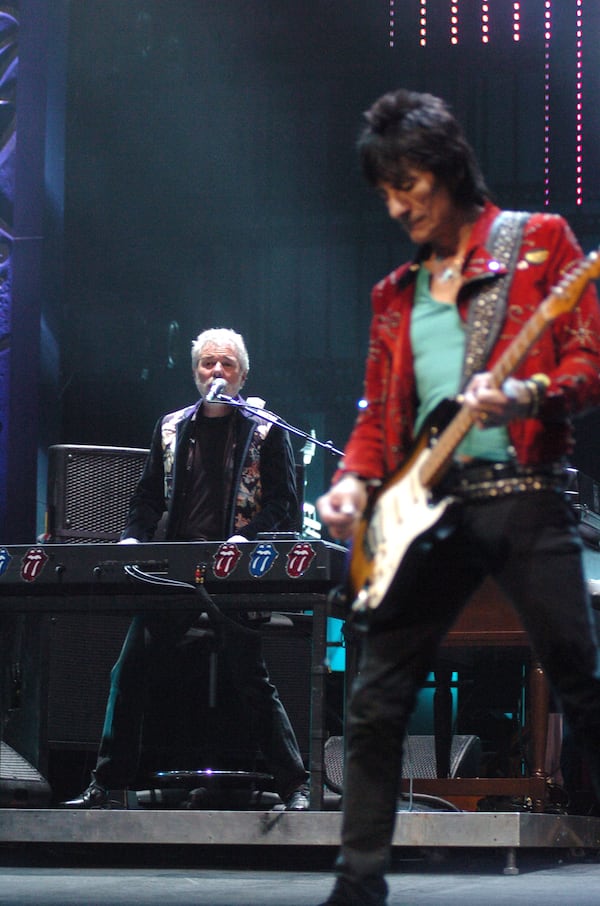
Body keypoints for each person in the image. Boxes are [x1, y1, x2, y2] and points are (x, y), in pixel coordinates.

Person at [315, 89, 600, 906]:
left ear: (448, 171)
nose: (397, 205)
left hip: (522, 491)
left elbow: (589, 366)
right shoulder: (392, 294)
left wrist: (530, 392)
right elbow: (377, 420)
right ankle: (358, 884)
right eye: (386, 192)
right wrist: (348, 486)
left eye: (409, 184)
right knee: (375, 698)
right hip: (426, 511)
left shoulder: (539, 244)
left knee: (579, 681)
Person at [63, 327, 309, 811]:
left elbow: (284, 503)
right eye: (207, 363)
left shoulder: (265, 428)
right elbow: (147, 496)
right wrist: (133, 537)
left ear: (242, 374)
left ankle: (296, 785)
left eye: (227, 364)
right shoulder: (172, 427)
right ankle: (107, 785)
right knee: (127, 672)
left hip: (231, 577)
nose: (216, 371)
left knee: (251, 681)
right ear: (195, 371)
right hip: (174, 572)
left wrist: (245, 538)